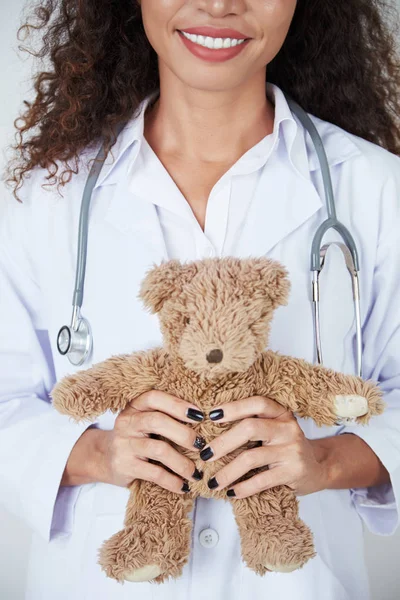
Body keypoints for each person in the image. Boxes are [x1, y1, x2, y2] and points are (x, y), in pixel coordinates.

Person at [1, 0, 400, 599]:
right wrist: (100, 453)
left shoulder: (375, 191)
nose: (219, 5)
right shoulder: (45, 201)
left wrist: (326, 462)